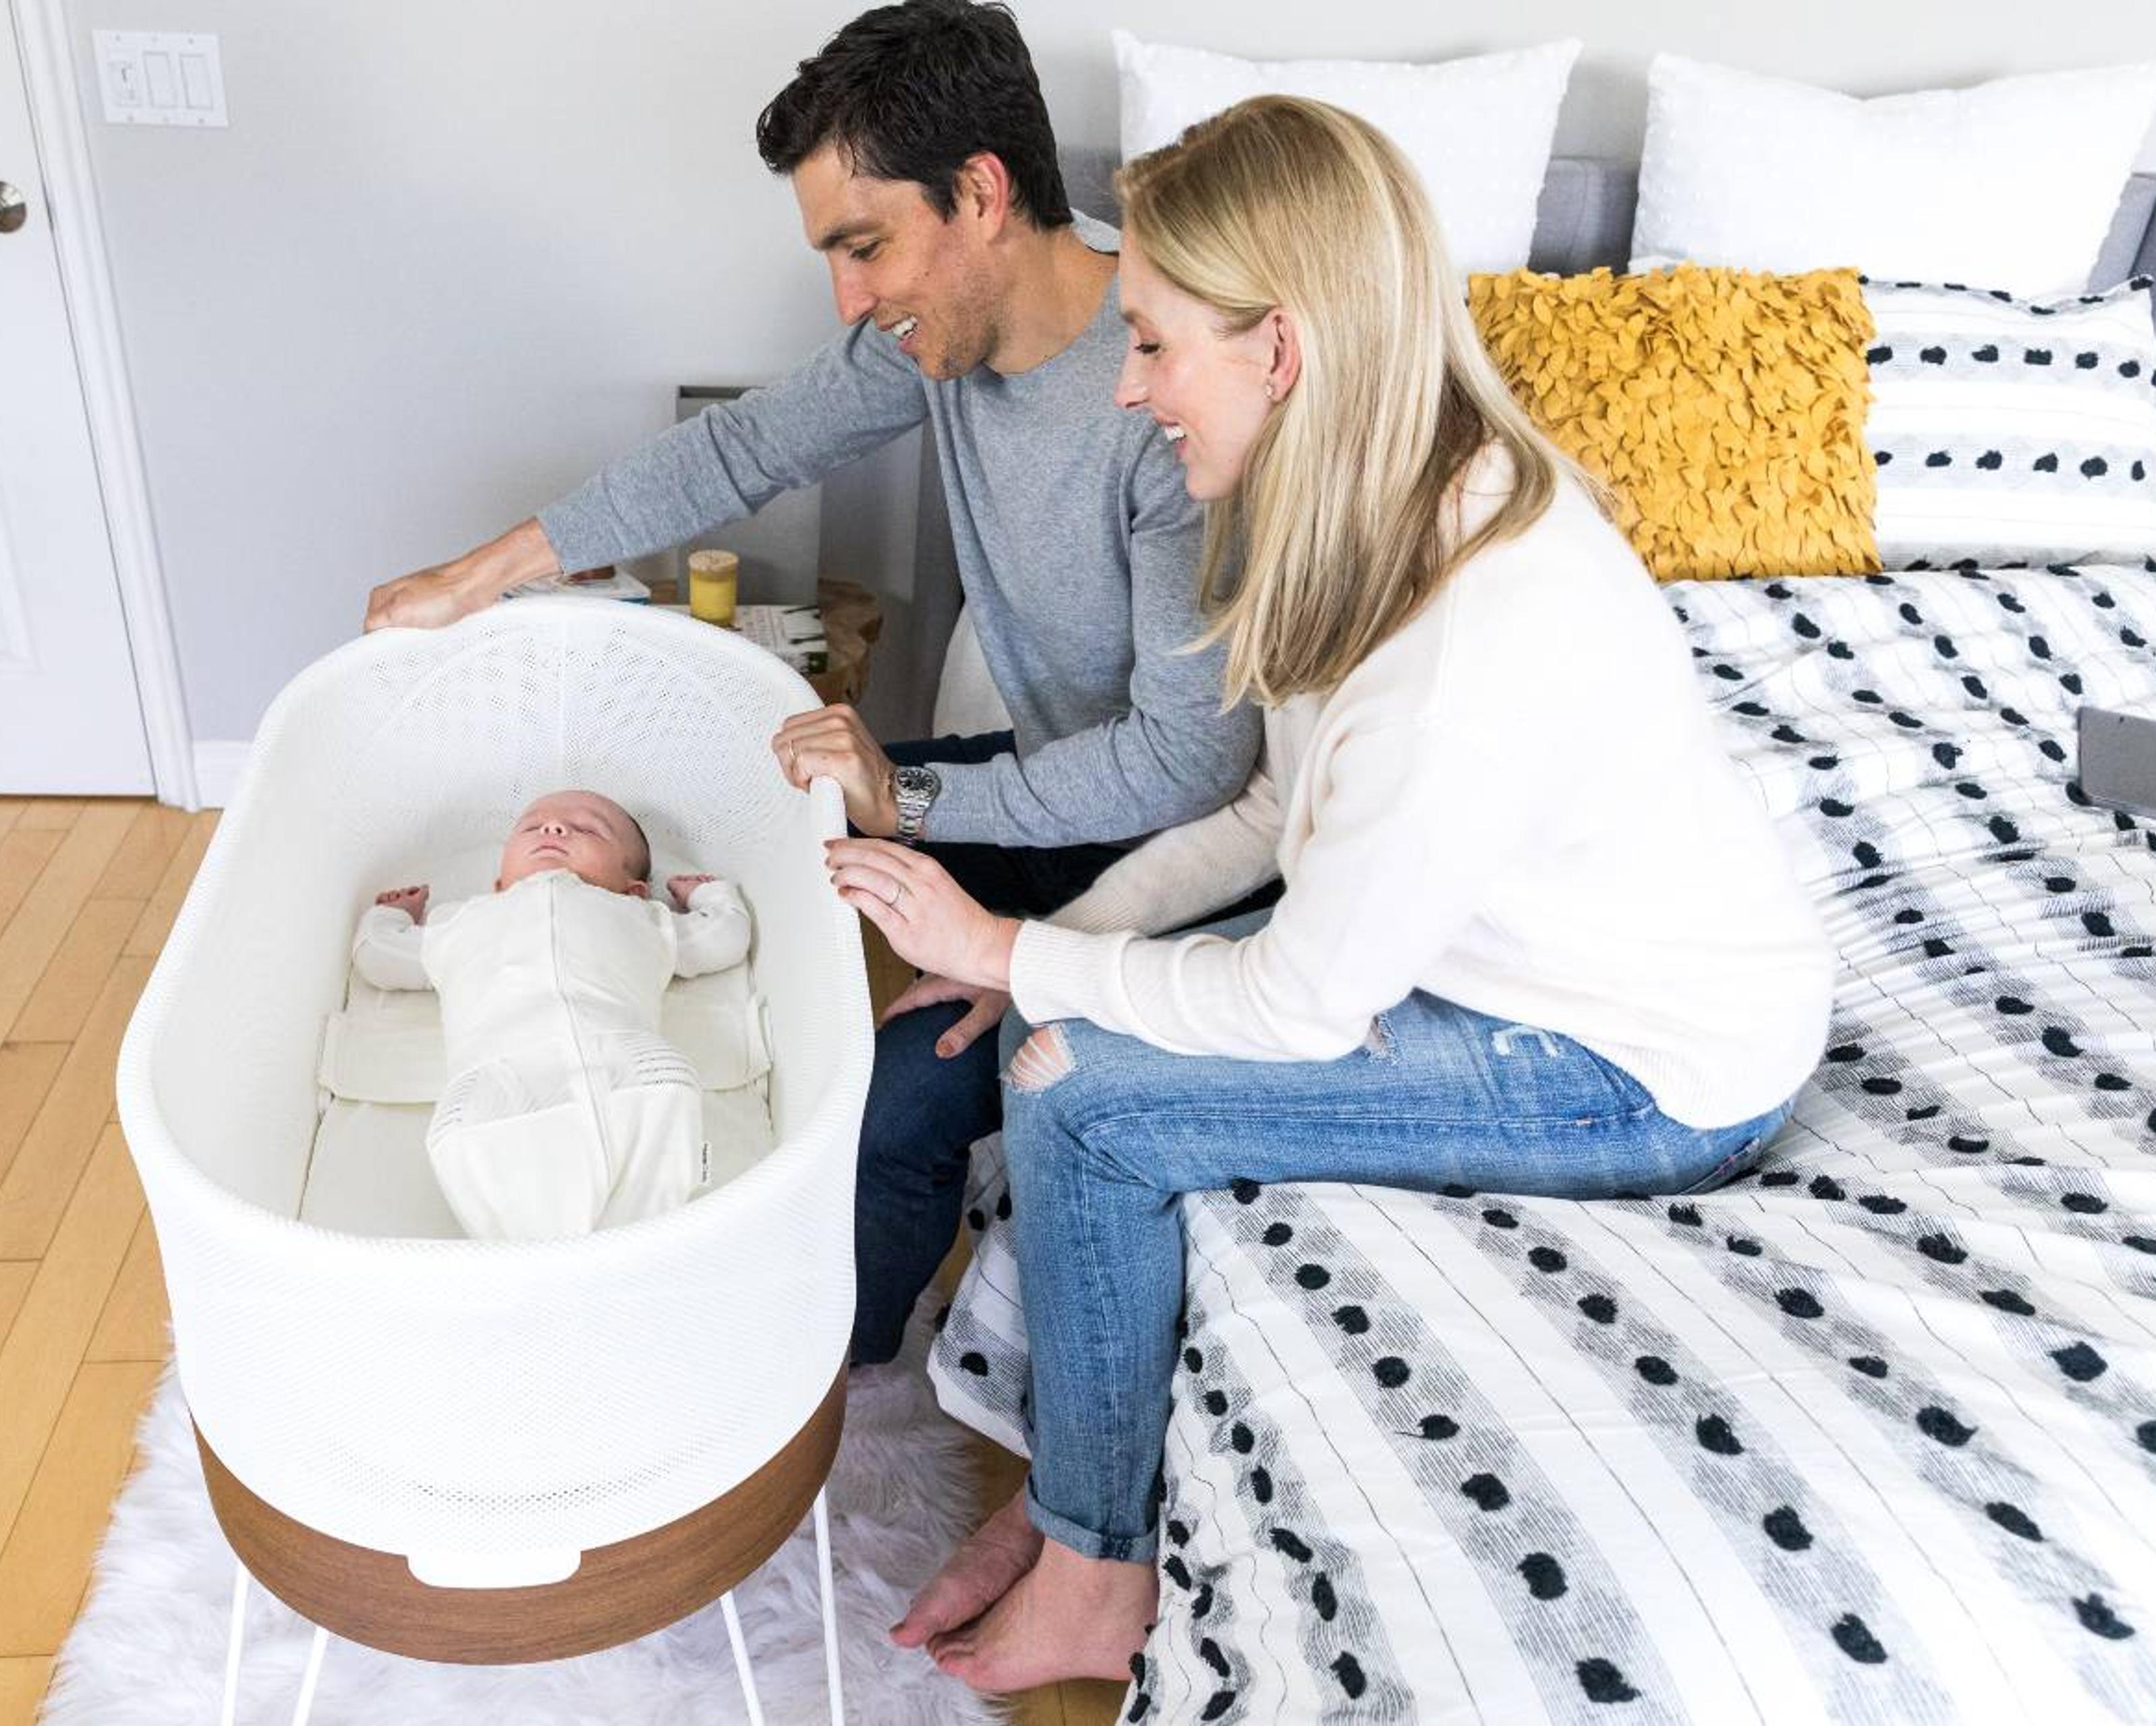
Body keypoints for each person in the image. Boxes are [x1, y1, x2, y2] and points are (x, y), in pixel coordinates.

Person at [824, 96, 1838, 1690]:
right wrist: (1047, 952)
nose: (1129, 385)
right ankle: (1079, 1483)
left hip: (1645, 1061)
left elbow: (1302, 1000)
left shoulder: (1473, 637)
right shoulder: (1343, 500)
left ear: (1279, 349)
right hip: (1482, 951)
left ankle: (1094, 1568)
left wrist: (1016, 951)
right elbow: (1268, 808)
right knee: (1052, 1028)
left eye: (1152, 343)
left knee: (1082, 1096)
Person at [361, 1, 1260, 1358]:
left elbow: (1192, 764)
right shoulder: (940, 340)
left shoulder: (1164, 395)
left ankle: (809, 1378)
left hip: (1176, 854)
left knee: (889, 1111)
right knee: (768, 805)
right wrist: (476, 576)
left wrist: (928, 819)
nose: (849, 299)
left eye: (865, 245)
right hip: (1052, 783)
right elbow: (742, 450)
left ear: (982, 194)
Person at [355, 790, 749, 1238]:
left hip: (628, 1065)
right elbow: (378, 957)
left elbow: (724, 937)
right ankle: (541, 1264)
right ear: (499, 883)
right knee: (484, 1164)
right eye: (532, 825)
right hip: (495, 1081)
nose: (554, 827)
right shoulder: (457, 922)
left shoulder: (645, 917)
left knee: (662, 1127)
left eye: (589, 829)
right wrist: (391, 917)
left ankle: (640, 1252)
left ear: (634, 890)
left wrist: (709, 894)